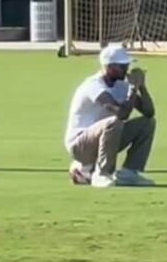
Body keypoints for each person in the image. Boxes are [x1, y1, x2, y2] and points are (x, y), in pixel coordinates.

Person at [64, 45, 157, 188]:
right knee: (114, 121)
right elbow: (121, 114)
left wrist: (142, 87)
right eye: (123, 66)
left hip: (107, 139)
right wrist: (132, 89)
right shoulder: (93, 86)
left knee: (147, 123)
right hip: (80, 145)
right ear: (110, 67)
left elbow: (149, 112)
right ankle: (102, 174)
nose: (127, 69)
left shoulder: (121, 86)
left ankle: (129, 173)